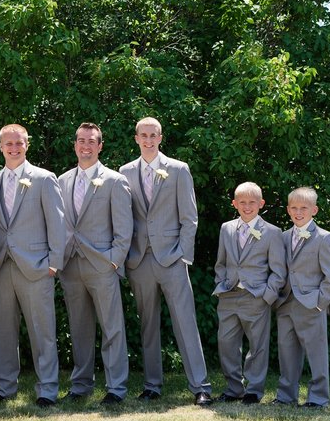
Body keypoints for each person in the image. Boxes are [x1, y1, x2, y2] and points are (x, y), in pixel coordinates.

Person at [119, 117, 213, 405]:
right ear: (136, 138)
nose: (148, 140)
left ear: (161, 138)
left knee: (185, 321)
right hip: (140, 259)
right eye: (143, 135)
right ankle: (152, 385)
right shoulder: (124, 173)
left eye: (153, 135)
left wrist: (183, 254)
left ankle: (201, 386)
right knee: (148, 324)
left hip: (172, 257)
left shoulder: (178, 170)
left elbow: (190, 218)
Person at [0, 125, 65, 407]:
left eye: (19, 143)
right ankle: (4, 388)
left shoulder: (44, 179)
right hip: (1, 267)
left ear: (27, 145)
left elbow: (57, 224)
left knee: (43, 332)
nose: (13, 147)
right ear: (0, 145)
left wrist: (54, 264)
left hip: (37, 267)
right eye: (8, 143)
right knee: (3, 331)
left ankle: (47, 390)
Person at [57, 122, 132, 405]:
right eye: (80, 140)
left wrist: (113, 262)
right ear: (74, 144)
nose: (85, 146)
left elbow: (124, 229)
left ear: (100, 146)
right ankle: (81, 384)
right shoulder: (62, 181)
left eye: (91, 141)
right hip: (71, 265)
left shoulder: (114, 180)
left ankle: (116, 387)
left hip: (102, 265)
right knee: (79, 327)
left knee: (112, 328)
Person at [212, 182, 286, 405]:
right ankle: (234, 387)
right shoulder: (226, 228)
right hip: (229, 294)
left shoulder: (272, 233)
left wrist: (267, 295)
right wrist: (221, 282)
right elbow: (221, 262)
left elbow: (279, 271)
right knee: (226, 343)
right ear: (234, 203)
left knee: (258, 345)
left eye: (252, 202)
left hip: (256, 296)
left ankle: (254, 389)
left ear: (261, 204)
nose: (247, 206)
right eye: (242, 202)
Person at [273, 187, 330, 408]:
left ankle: (318, 397)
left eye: (304, 208)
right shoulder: (282, 237)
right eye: (294, 208)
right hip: (286, 303)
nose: (298, 212)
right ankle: (285, 396)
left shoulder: (324, 238)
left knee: (316, 353)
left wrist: (320, 303)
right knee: (287, 351)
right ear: (288, 210)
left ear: (314, 210)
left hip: (311, 304)